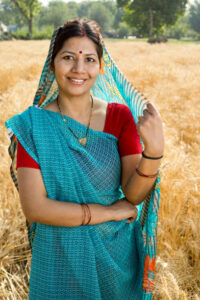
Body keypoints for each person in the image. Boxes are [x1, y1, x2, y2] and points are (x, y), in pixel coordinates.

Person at [5, 18, 164, 300]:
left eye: (89, 59)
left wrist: (154, 151)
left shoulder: (119, 117)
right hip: (59, 259)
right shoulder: (33, 127)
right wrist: (110, 212)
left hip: (115, 260)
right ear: (52, 64)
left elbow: (133, 194)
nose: (79, 69)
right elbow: (36, 208)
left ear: (101, 67)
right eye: (68, 57)